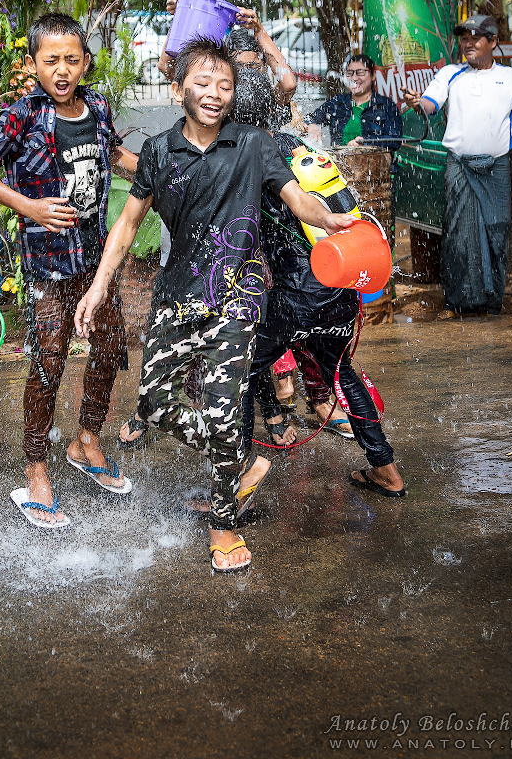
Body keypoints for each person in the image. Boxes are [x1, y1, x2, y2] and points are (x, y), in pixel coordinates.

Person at [73, 36, 357, 573]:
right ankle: (240, 460)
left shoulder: (253, 144)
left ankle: (224, 524)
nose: (214, 94)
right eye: (202, 84)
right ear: (178, 88)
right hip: (177, 296)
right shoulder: (158, 151)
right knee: (156, 403)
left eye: (224, 86)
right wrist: (98, 285)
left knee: (226, 407)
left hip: (239, 294)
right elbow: (128, 225)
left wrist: (327, 219)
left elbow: (295, 196)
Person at [0, 13, 138, 529]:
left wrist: (164, 166)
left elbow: (114, 156)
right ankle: (36, 466)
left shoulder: (99, 107)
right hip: (46, 264)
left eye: (71, 60)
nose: (62, 70)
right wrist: (30, 207)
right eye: (51, 61)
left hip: (94, 259)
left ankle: (86, 439)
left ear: (85, 63)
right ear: (34, 65)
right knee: (49, 359)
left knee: (111, 344)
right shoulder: (20, 116)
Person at [230, 67, 404, 511]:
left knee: (237, 373)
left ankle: (235, 482)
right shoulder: (302, 149)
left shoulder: (250, 155)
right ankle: (385, 468)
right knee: (343, 372)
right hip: (340, 289)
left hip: (296, 297)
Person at [404, 14, 512, 318]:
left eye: (475, 38)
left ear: (493, 42)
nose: (468, 44)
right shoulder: (451, 74)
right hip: (460, 166)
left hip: (498, 168)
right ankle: (459, 301)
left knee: (497, 230)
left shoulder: (511, 78)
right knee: (458, 233)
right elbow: (429, 104)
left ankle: (492, 300)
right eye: (464, 38)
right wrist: (417, 103)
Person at [159, 0, 298, 111]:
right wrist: (181, 15)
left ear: (265, 68)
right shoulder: (217, 102)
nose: (247, 74)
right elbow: (166, 67)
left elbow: (289, 84)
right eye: (240, 68)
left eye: (253, 67)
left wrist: (259, 30)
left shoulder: (269, 101)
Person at [305, 53, 402, 153]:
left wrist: (364, 142)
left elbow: (395, 141)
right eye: (350, 73)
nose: (354, 78)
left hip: (375, 164)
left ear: (373, 75)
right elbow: (309, 119)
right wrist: (311, 125)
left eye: (360, 72)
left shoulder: (386, 105)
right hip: (340, 164)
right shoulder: (337, 102)